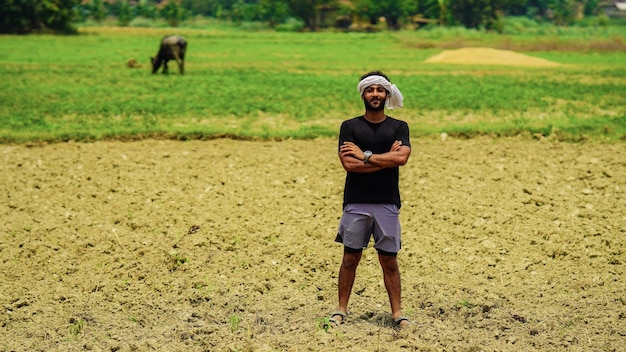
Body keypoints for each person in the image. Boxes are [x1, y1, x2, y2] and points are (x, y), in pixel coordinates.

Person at [329, 71, 411, 329]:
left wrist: (364, 156)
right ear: (363, 94)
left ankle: (397, 313)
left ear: (387, 94)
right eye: (370, 90)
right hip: (356, 202)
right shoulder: (349, 127)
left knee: (389, 260)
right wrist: (384, 158)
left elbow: (401, 159)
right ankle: (341, 309)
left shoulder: (399, 127)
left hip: (387, 202)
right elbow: (348, 165)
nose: (375, 94)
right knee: (350, 258)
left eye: (379, 90)